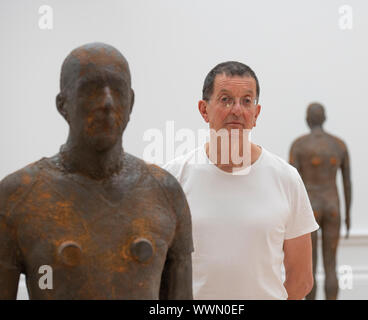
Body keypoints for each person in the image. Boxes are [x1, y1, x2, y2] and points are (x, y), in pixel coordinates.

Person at [0, 42, 193, 300]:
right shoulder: (18, 197)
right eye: (90, 89)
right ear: (63, 104)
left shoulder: (165, 194)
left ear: (131, 102)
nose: (107, 102)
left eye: (118, 89)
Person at [163, 61, 319, 300]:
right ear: (204, 110)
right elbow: (157, 273)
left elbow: (302, 279)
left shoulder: (287, 179)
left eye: (246, 101)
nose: (237, 109)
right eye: (225, 99)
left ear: (255, 114)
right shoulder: (173, 178)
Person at [289, 103, 352, 300]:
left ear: (308, 119)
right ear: (324, 118)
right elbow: (347, 183)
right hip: (333, 206)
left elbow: (291, 184)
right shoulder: (338, 145)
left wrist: (290, 218)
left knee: (310, 266)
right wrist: (348, 215)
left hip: (310, 209)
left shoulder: (299, 145)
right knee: (331, 264)